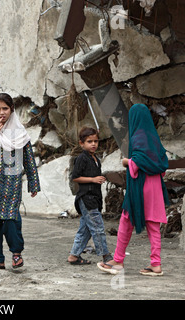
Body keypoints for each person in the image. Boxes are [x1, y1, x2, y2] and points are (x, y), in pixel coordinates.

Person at [97, 104, 169, 276]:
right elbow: (161, 165)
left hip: (141, 187)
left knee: (126, 219)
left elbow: (138, 162)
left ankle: (118, 260)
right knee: (153, 224)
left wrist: (126, 162)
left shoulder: (138, 137)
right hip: (155, 187)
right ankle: (156, 264)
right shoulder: (154, 138)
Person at [0, 92, 40, 270]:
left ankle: (16, 253)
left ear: (12, 109)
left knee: (11, 219)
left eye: (5, 108)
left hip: (12, 183)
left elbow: (28, 159)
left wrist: (33, 184)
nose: (1, 113)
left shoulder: (20, 133)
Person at [67, 127, 113, 266]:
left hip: (94, 198)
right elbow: (75, 177)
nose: (93, 144)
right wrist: (93, 179)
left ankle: (74, 256)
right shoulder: (81, 158)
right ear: (82, 143)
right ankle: (106, 256)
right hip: (86, 198)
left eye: (95, 141)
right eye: (89, 141)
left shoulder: (95, 159)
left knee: (85, 229)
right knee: (98, 228)